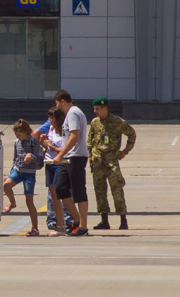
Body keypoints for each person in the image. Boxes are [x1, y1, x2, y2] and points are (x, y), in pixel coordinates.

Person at [89, 97, 136, 230]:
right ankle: (104, 220)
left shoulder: (118, 122)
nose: (95, 111)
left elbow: (132, 134)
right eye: (94, 109)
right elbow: (90, 138)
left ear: (105, 108)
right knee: (99, 191)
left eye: (97, 109)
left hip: (111, 162)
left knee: (117, 189)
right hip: (98, 161)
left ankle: (123, 220)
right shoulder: (95, 122)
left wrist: (125, 151)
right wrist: (90, 155)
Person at [47, 89, 90, 236]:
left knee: (79, 192)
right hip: (69, 158)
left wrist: (60, 154)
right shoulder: (72, 113)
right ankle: (77, 220)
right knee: (61, 189)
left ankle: (83, 227)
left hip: (75, 157)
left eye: (57, 104)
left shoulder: (72, 113)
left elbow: (74, 136)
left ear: (63, 102)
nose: (57, 107)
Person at [3, 119, 44, 236]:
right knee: (6, 185)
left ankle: (35, 228)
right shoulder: (17, 142)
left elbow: (37, 157)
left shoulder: (33, 142)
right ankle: (12, 202)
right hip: (18, 170)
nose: (18, 137)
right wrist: (10, 174)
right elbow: (15, 159)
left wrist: (30, 156)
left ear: (26, 132)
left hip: (29, 172)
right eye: (16, 135)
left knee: (29, 201)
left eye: (19, 135)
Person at [38, 107, 76, 235]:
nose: (49, 120)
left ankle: (65, 224)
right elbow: (47, 148)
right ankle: (60, 225)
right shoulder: (51, 129)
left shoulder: (64, 132)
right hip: (49, 163)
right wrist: (42, 142)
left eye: (51, 117)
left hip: (60, 164)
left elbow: (65, 150)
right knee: (54, 197)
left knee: (61, 195)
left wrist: (51, 146)